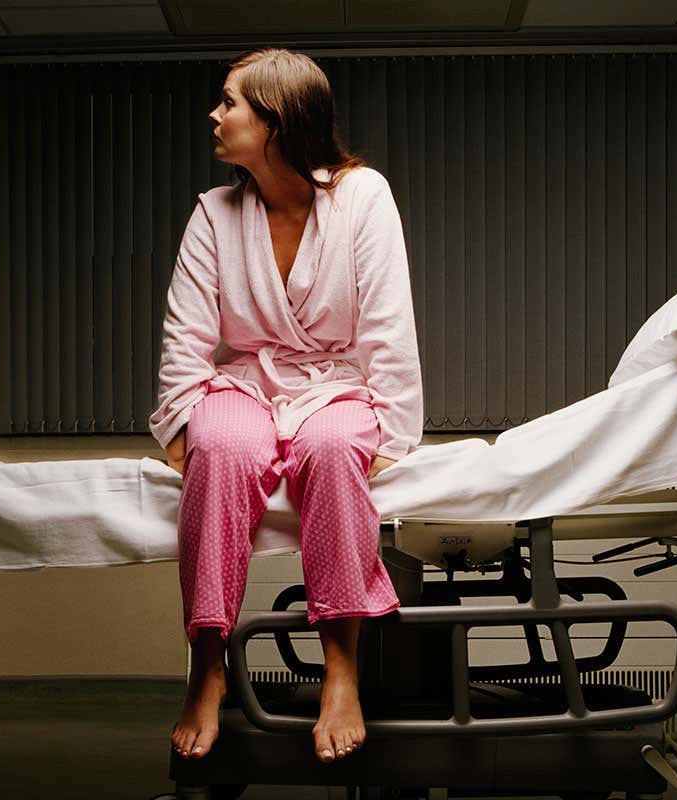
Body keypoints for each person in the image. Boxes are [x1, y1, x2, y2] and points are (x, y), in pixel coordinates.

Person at [149, 47, 422, 765]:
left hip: (335, 386)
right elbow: (187, 334)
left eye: (231, 101)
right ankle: (208, 666)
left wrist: (388, 430)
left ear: (277, 120)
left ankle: (340, 668)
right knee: (222, 445)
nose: (216, 114)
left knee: (332, 450)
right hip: (243, 384)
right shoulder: (214, 214)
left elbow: (389, 324)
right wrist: (182, 423)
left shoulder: (363, 197)